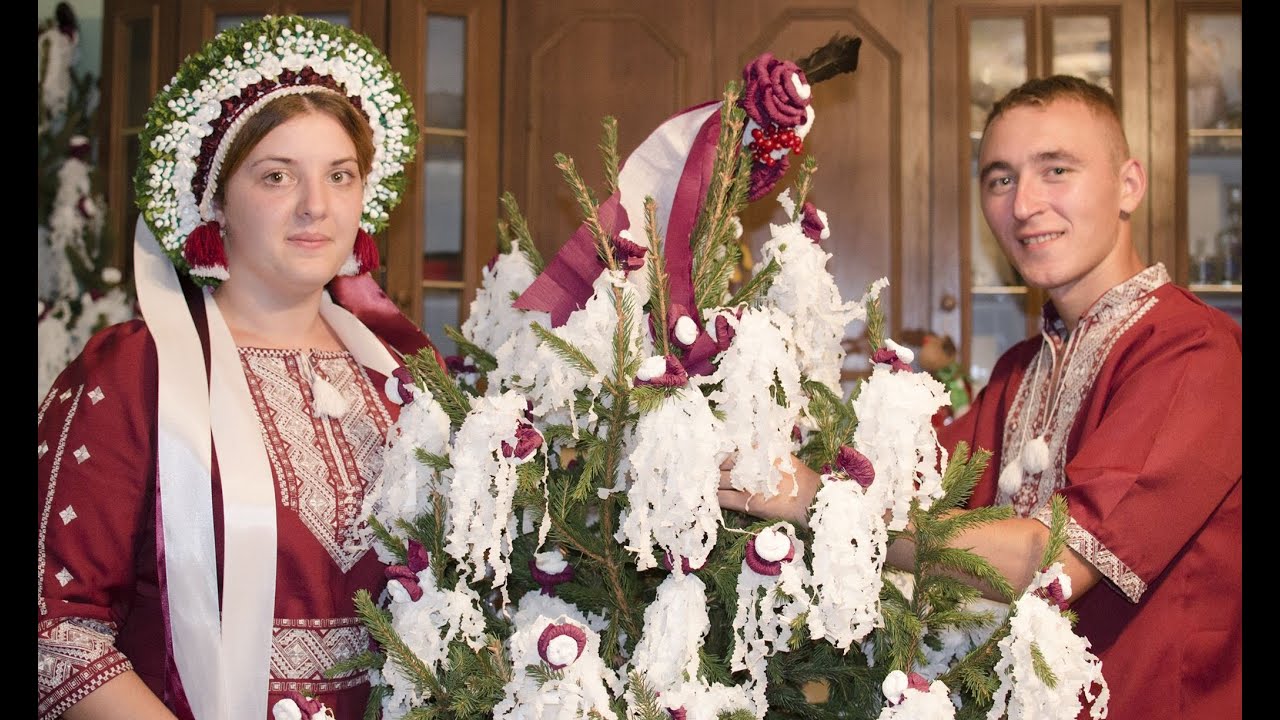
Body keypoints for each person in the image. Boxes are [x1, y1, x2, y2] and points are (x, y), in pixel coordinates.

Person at [719, 74, 1242, 719]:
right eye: (1001, 178)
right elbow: (909, 486)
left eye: (1056, 169)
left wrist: (812, 500)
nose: (1024, 204)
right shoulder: (1022, 367)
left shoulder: (1192, 352)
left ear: (1128, 184)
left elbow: (1049, 562)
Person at [37, 16, 442, 720]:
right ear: (215, 201)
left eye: (339, 175)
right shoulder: (137, 370)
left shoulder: (406, 376)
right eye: (277, 175)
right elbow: (56, 627)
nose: (317, 205)